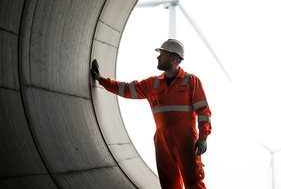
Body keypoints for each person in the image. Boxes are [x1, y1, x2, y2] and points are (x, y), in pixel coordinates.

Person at [90, 39, 211, 189]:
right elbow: (126, 89)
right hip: (162, 142)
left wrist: (203, 137)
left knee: (194, 184)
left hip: (187, 141)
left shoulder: (191, 81)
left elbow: (203, 111)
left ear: (174, 59)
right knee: (169, 184)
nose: (158, 58)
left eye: (162, 54)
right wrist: (101, 80)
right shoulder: (153, 84)